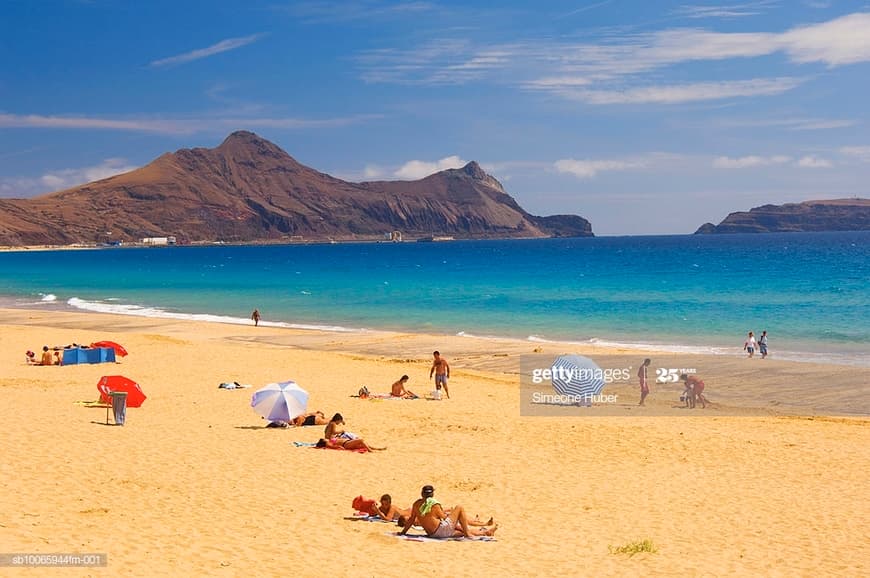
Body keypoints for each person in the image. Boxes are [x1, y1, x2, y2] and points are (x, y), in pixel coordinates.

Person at [400, 485, 496, 539]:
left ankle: (486, 532)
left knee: (460, 532)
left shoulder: (416, 504)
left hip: (432, 534)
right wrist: (455, 521)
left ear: (422, 494)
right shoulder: (434, 504)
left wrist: (403, 532)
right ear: (432, 494)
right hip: (441, 530)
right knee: (459, 508)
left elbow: (411, 520)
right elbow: (444, 518)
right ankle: (468, 533)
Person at [316, 437, 385, 451]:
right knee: (361, 440)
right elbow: (334, 446)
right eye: (324, 439)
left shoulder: (329, 440)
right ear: (324, 441)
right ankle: (370, 450)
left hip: (348, 442)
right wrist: (340, 448)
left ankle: (377, 448)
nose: (325, 438)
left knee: (363, 444)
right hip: (346, 444)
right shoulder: (328, 443)